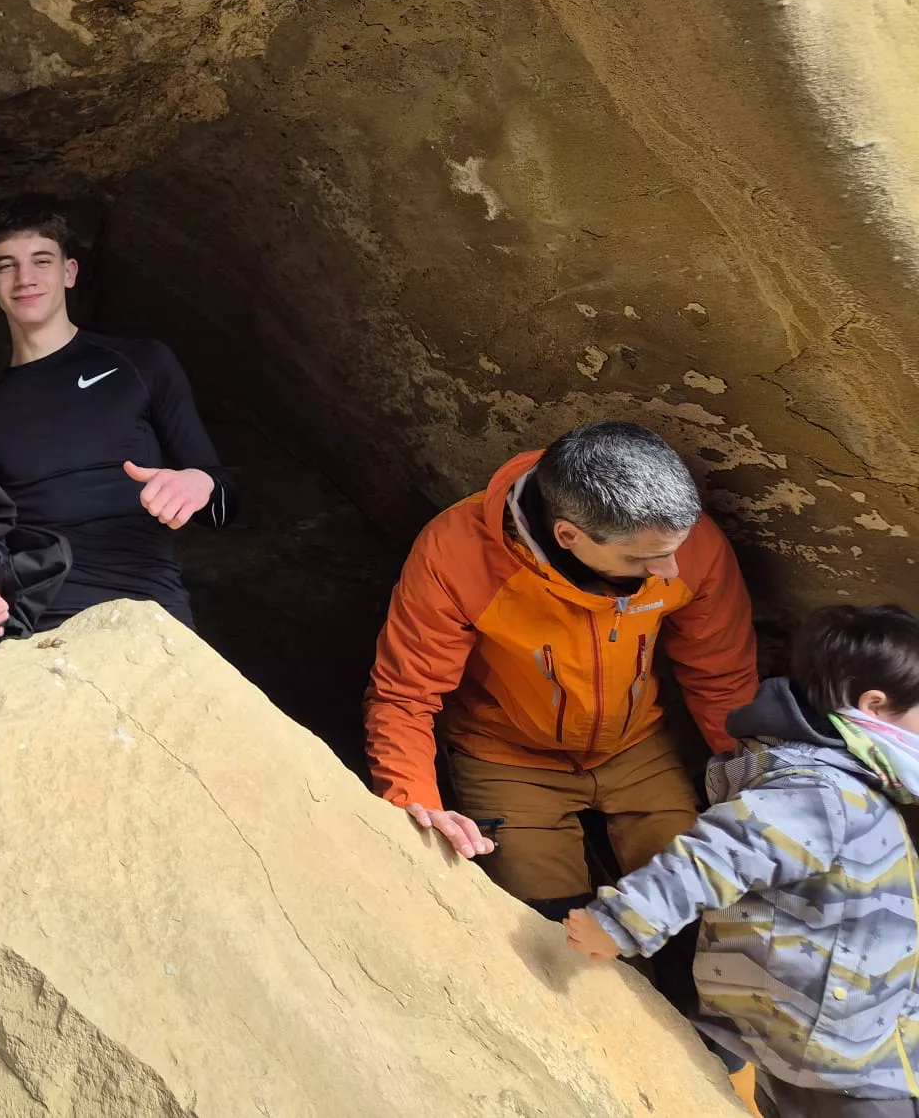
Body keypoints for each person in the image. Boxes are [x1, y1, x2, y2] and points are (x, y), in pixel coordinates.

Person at [364, 420, 758, 918]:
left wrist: (761, 775)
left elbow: (721, 675)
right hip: (506, 758)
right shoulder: (455, 554)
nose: (672, 571)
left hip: (636, 747)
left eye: (675, 550)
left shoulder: (681, 540)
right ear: (568, 535)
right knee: (551, 935)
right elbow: (404, 696)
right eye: (646, 560)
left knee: (701, 917)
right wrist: (415, 802)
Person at [568, 605, 919, 1118]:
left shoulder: (837, 783)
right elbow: (712, 856)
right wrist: (621, 924)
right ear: (874, 706)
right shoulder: (821, 792)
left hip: (842, 1022)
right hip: (841, 1048)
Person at [0, 194, 237, 640]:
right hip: (40, 637)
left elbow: (225, 505)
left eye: (42, 260)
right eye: (7, 265)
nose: (25, 278)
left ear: (69, 272)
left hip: (150, 621)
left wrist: (199, 484)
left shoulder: (142, 364)